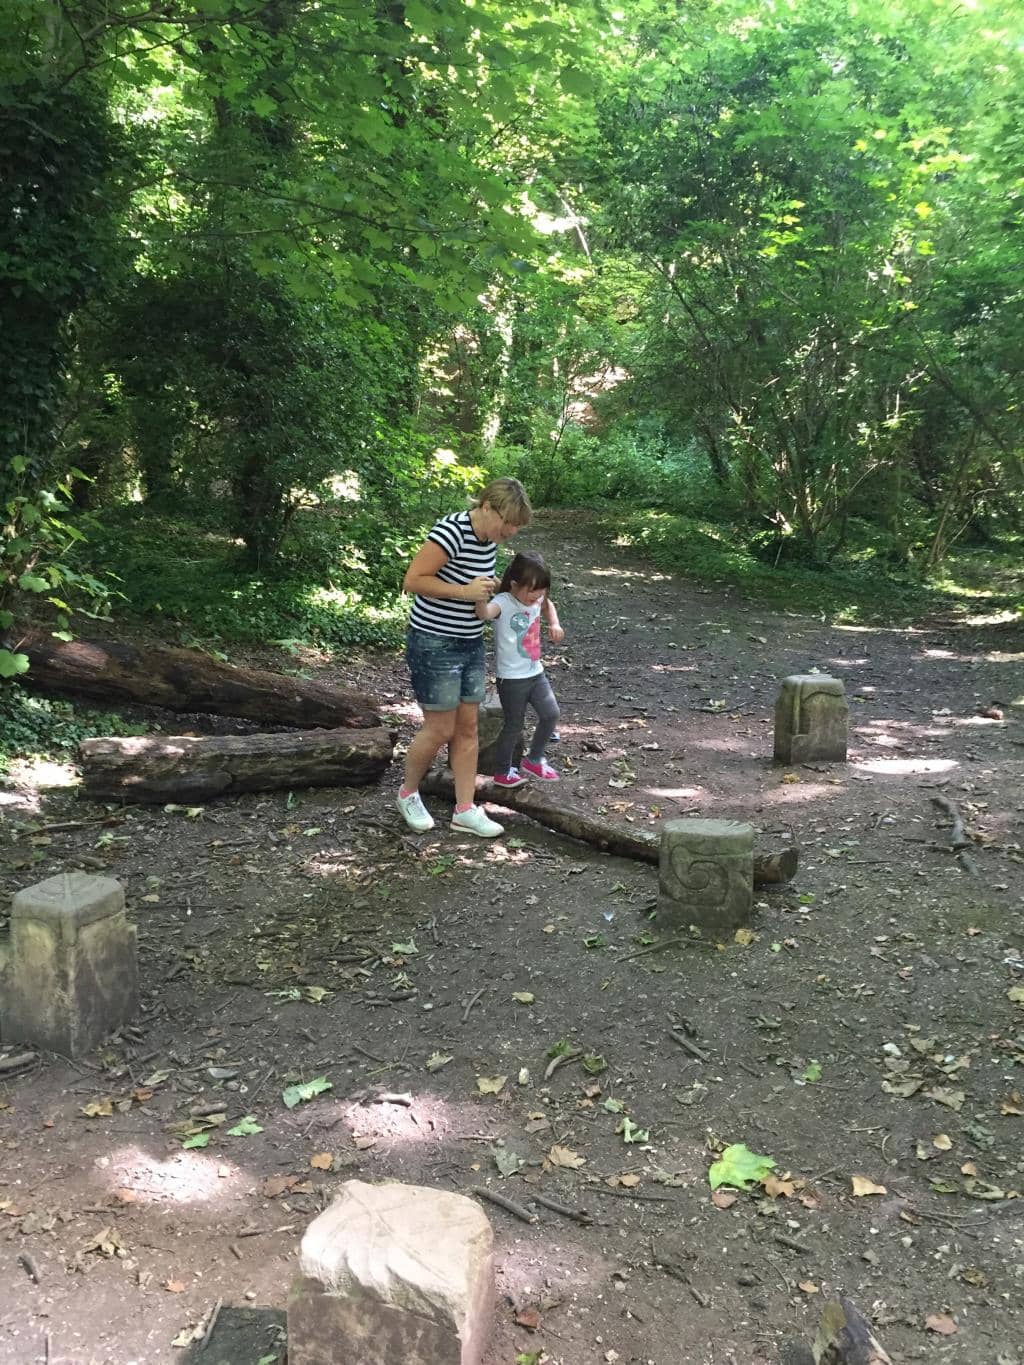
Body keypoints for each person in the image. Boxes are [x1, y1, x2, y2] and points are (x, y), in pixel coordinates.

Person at [396, 477, 532, 837]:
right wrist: (463, 591)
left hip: (469, 642)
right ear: (488, 507)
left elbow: (474, 599)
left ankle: (465, 809)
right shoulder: (451, 530)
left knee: (468, 728)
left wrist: (486, 599)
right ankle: (407, 793)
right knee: (440, 727)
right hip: (434, 642)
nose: (512, 531)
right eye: (509, 522)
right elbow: (413, 579)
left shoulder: (489, 539)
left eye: (517, 526)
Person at [475, 550, 564, 788]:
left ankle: (534, 759)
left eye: (541, 590)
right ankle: (502, 772)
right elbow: (483, 614)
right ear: (514, 585)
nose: (537, 596)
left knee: (551, 714)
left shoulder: (537, 599)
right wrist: (479, 595)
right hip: (512, 678)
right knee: (514, 724)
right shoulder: (503, 602)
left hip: (535, 672)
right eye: (532, 590)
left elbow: (547, 605)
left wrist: (554, 623)